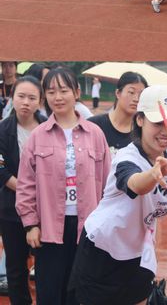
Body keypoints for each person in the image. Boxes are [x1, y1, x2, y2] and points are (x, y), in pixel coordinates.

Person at [68, 85, 167, 305]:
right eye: (158, 123)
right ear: (140, 120)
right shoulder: (127, 158)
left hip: (139, 249)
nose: (166, 131)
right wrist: (152, 174)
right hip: (103, 249)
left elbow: (166, 190)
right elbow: (135, 184)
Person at [16, 67, 111, 305]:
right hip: (49, 228)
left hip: (87, 227)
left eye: (64, 90)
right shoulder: (37, 136)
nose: (57, 97)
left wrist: (106, 225)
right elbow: (26, 184)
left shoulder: (95, 134)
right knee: (49, 291)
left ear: (76, 92)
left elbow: (108, 184)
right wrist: (31, 225)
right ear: (44, 97)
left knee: (79, 292)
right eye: (51, 92)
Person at [0, 76, 47, 304]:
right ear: (12, 97)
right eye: (21, 96)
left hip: (46, 209)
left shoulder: (49, 127)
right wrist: (27, 192)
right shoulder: (3, 129)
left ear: (40, 101)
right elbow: (1, 169)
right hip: (12, 210)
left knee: (46, 265)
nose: (26, 102)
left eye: (31, 97)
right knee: (16, 268)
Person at [88, 71, 148, 152]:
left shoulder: (143, 132)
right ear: (118, 93)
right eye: (131, 92)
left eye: (141, 95)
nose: (136, 99)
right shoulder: (93, 125)